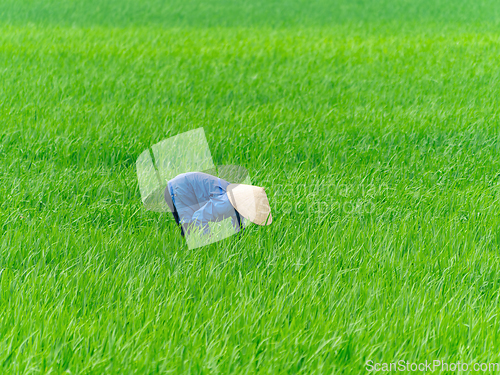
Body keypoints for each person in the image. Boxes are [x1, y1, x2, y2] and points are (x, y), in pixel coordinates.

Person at [164, 172, 272, 236]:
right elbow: (199, 217)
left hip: (182, 187)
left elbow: (238, 224)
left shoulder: (238, 202)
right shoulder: (227, 201)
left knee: (188, 232)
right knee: (188, 230)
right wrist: (210, 241)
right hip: (179, 189)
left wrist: (241, 238)